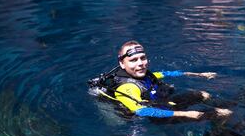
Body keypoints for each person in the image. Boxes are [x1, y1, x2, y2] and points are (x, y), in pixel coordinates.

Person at [88, 40, 232, 121]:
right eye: (133, 60)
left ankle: (230, 107)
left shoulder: (144, 74)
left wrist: (199, 74)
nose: (140, 63)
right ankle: (220, 128)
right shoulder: (127, 88)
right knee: (220, 113)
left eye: (142, 58)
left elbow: (167, 73)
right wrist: (186, 114)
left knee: (203, 94)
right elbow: (142, 111)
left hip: (161, 103)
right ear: (122, 63)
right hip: (155, 116)